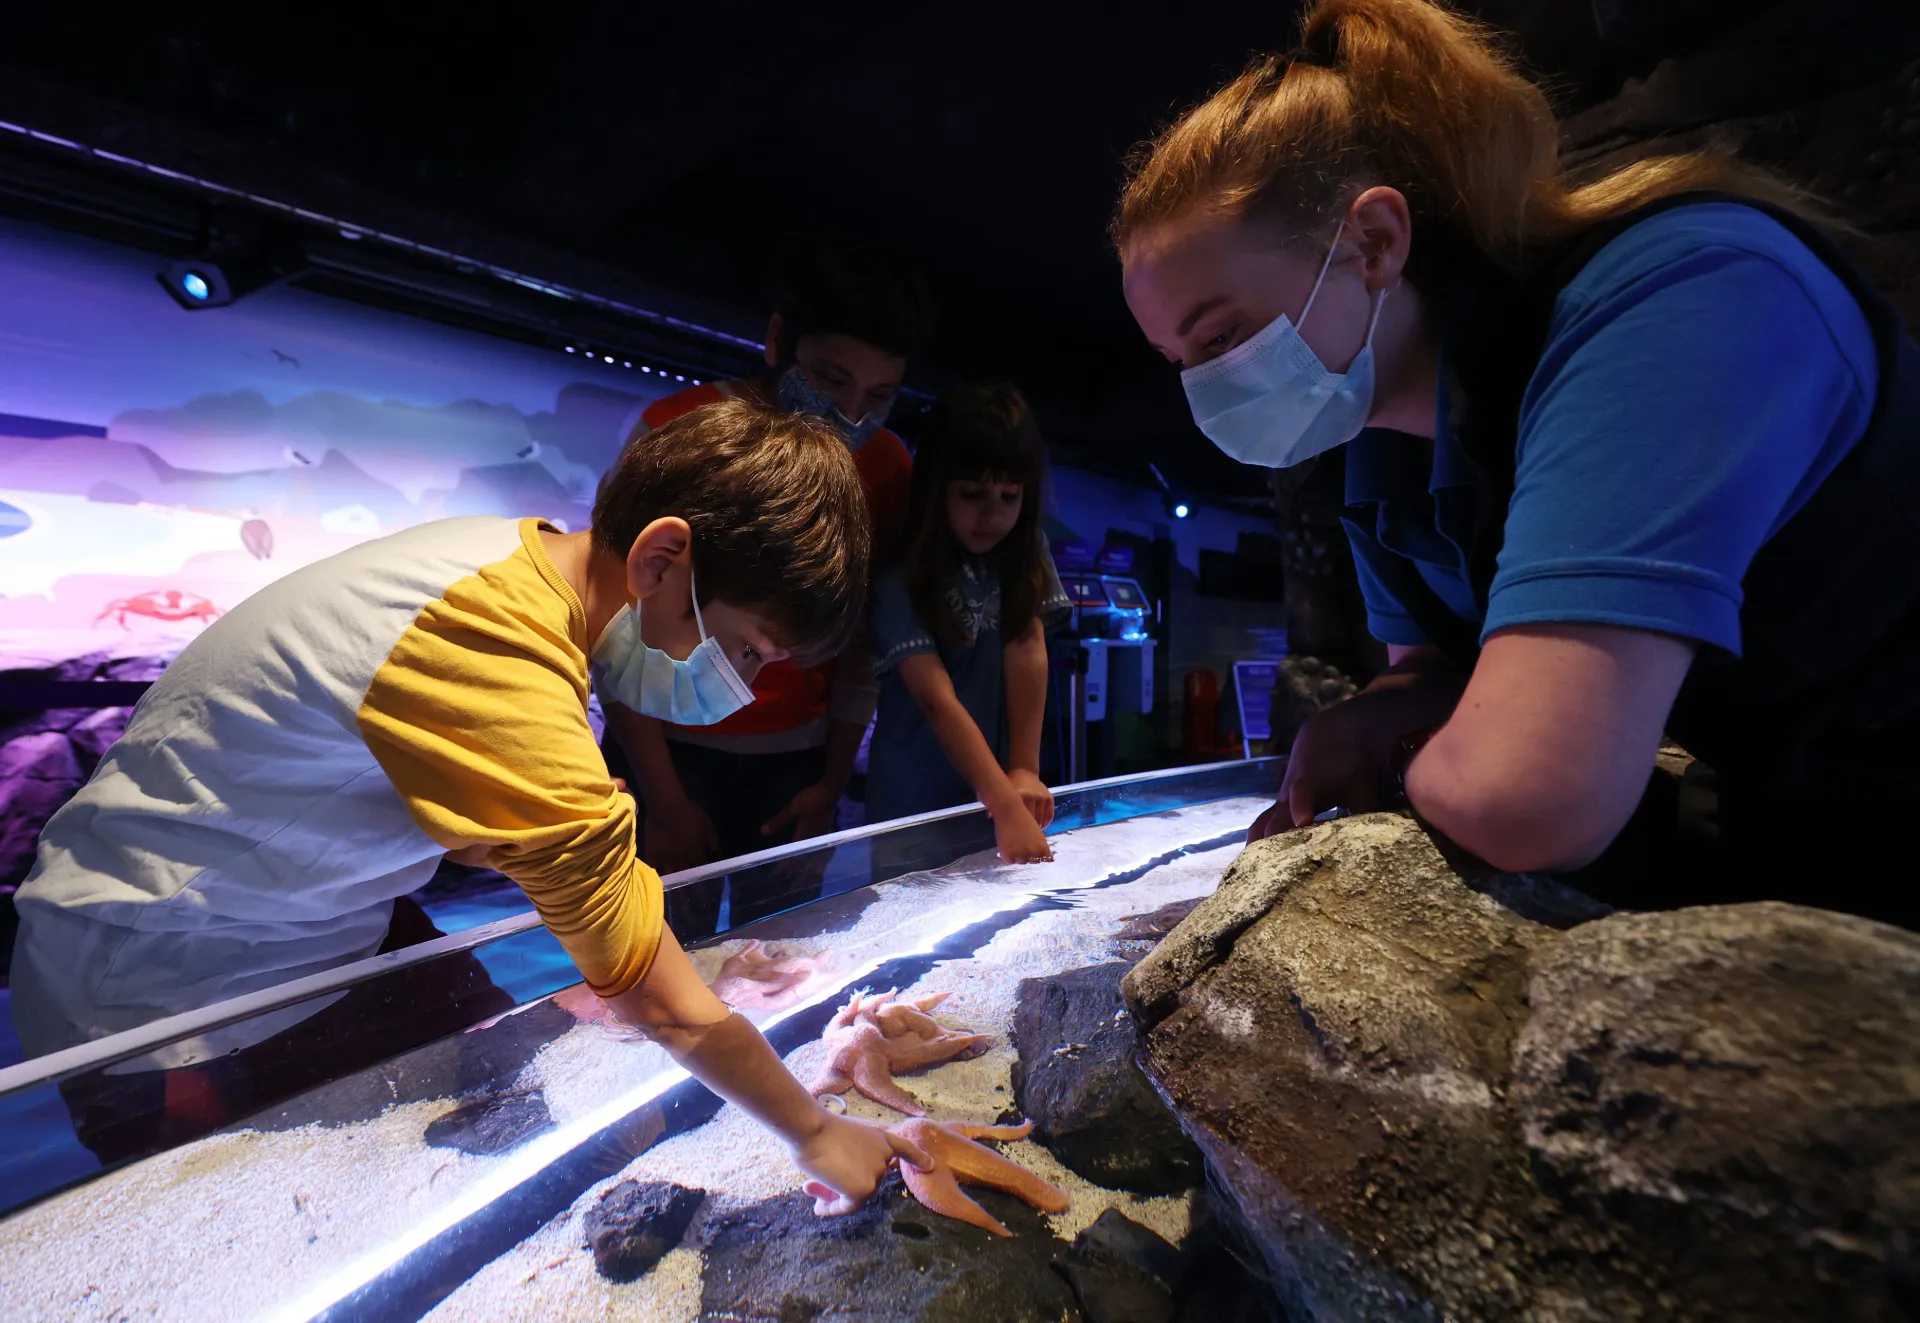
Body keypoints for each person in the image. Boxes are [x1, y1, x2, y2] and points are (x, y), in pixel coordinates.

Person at [1113, 0, 1919, 925]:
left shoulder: (1676, 296)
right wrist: (1382, 711)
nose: (1209, 386)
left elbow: (1524, 796)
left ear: (1374, 241)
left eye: (1222, 335)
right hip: (1787, 818)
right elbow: (1432, 668)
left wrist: (1423, 757)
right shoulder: (1381, 443)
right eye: (1183, 363)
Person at [12, 398, 932, 1202]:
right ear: (662, 560)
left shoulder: (516, 564)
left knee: (514, 1086)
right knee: (259, 1212)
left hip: (318, 923)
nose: (745, 681)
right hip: (165, 979)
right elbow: (653, 990)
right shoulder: (493, 647)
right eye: (746, 649)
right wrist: (816, 1134)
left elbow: (379, 775)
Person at [601, 233, 935, 926]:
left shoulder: (886, 466)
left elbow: (859, 644)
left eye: (880, 395)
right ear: (779, 339)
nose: (850, 415)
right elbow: (614, 623)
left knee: (781, 956)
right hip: (664, 749)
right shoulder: (680, 432)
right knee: (656, 951)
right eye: (830, 378)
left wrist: (830, 784)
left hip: (794, 765)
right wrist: (662, 799)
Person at [866, 384, 1071, 876]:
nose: (993, 514)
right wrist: (1004, 802)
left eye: (1009, 496)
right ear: (938, 487)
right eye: (973, 494)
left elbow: (1027, 645)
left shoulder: (1025, 549)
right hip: (913, 805)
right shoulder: (900, 568)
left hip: (998, 794)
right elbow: (936, 699)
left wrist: (1024, 769)